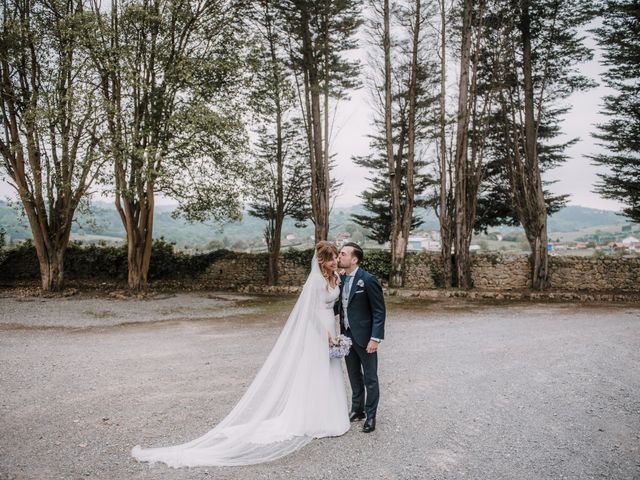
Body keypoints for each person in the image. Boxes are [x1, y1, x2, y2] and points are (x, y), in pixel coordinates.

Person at [131, 241, 349, 467]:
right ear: (322, 260)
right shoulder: (314, 281)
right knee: (314, 372)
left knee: (330, 370)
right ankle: (313, 419)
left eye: (336, 257)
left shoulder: (335, 278)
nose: (336, 261)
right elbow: (310, 313)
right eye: (332, 258)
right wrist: (326, 335)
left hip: (331, 329)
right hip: (317, 332)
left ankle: (331, 416)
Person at [335, 242, 386, 433]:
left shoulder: (369, 280)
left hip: (365, 338)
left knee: (370, 378)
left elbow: (379, 311)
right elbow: (337, 307)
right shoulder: (340, 279)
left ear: (354, 259)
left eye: (343, 254)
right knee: (354, 375)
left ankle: (371, 415)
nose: (339, 257)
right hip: (346, 336)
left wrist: (375, 338)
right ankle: (357, 410)